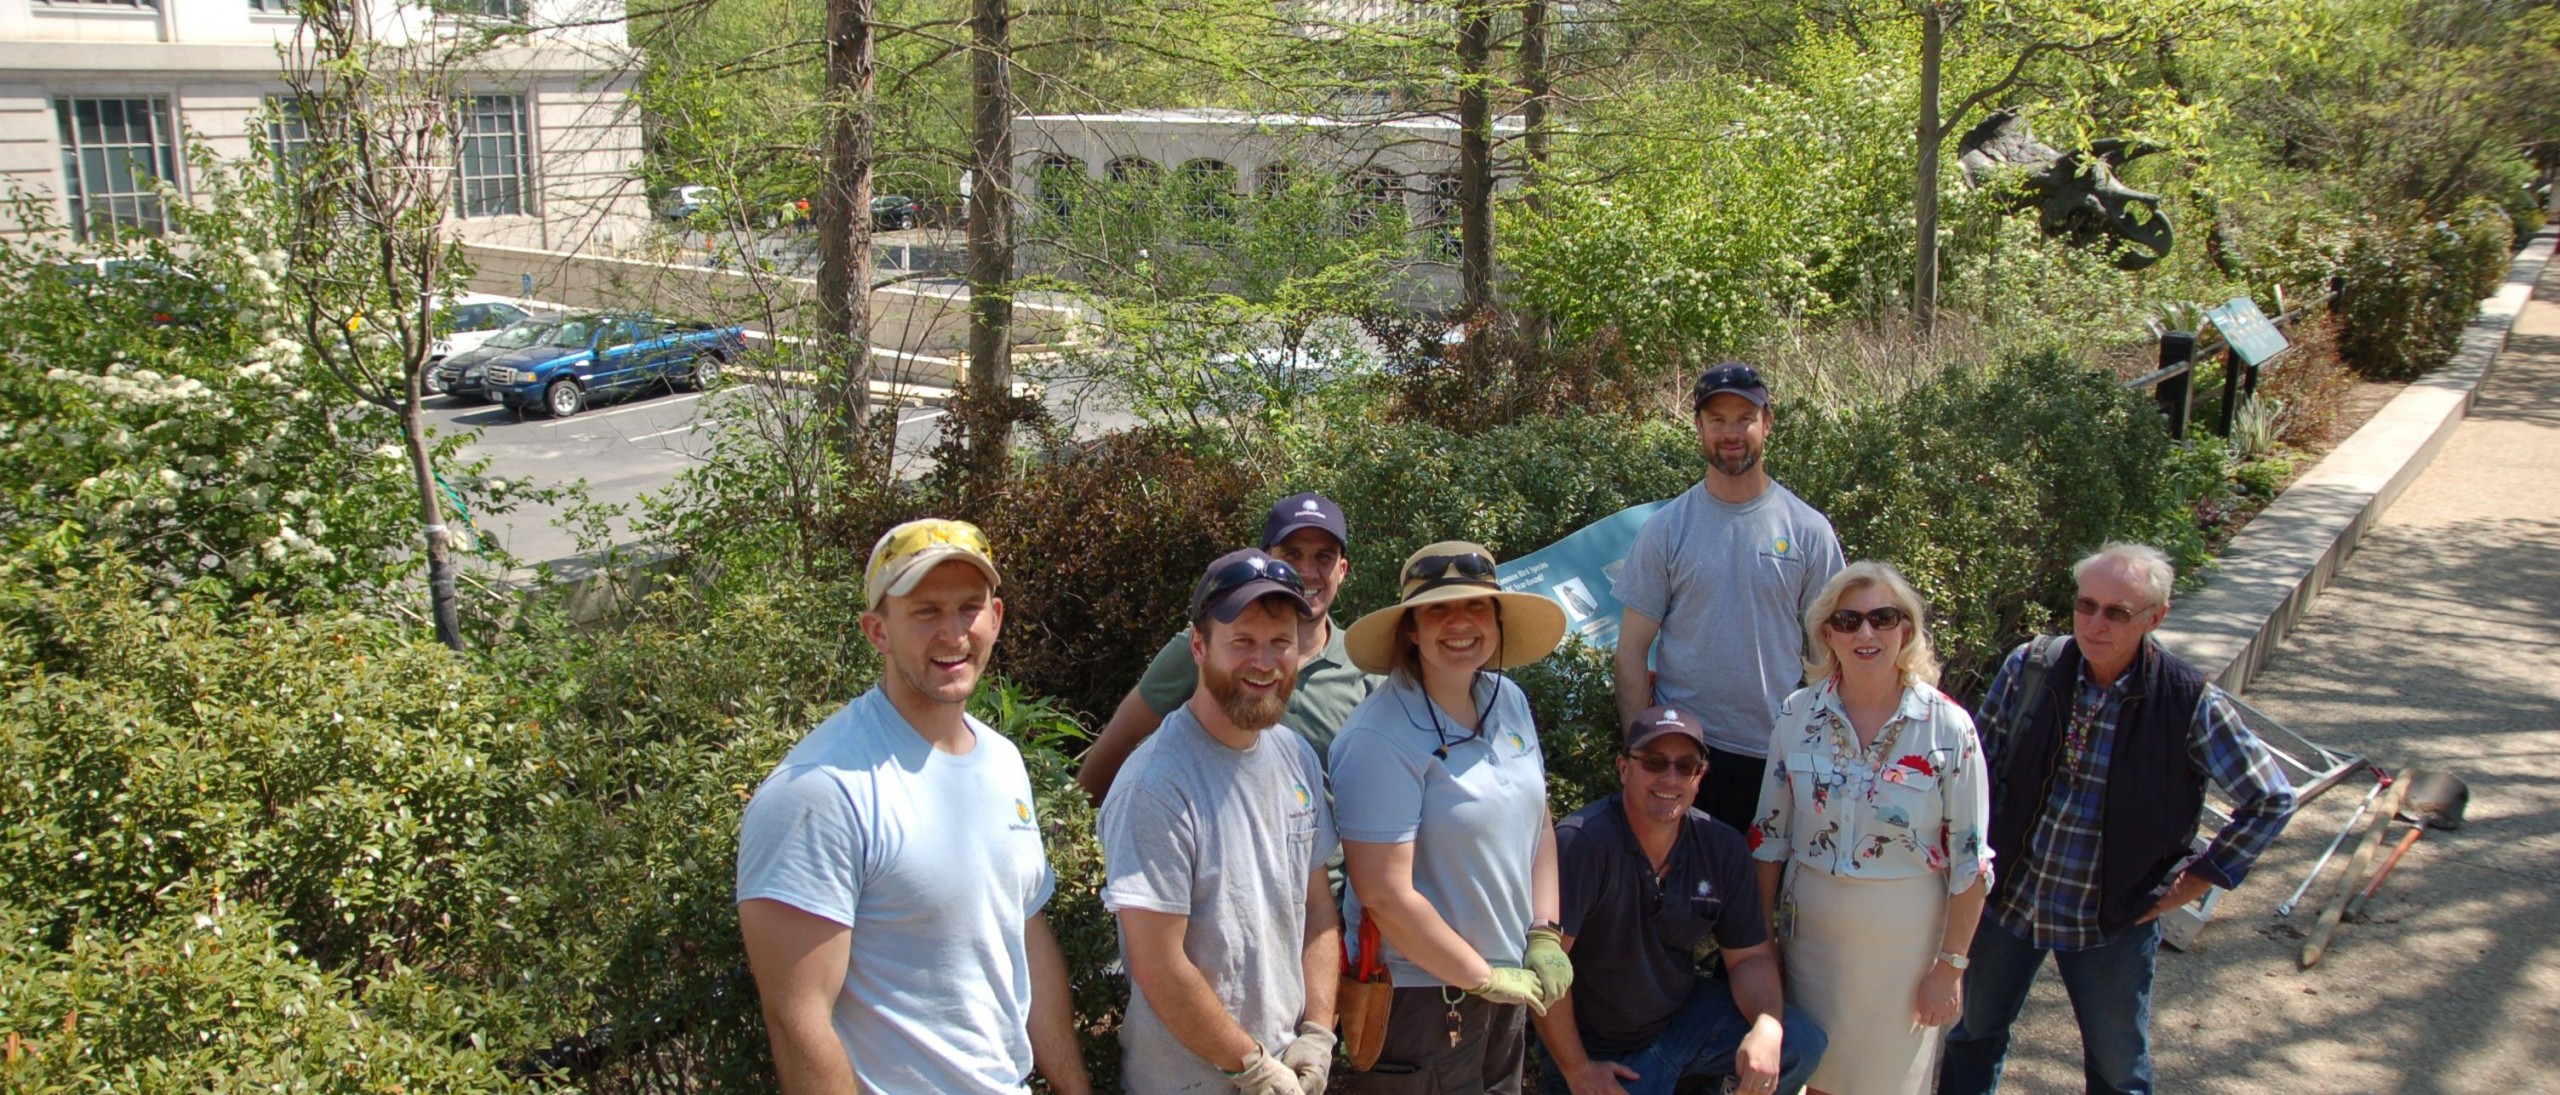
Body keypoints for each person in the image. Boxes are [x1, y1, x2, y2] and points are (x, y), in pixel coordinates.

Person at [734, 518, 1090, 1095]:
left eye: (968, 608)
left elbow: (1025, 938)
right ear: (878, 630)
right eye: (925, 612)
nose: (953, 634)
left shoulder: (1001, 761)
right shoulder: (820, 791)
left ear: (995, 618)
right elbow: (798, 1023)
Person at [1937, 543, 2298, 1095]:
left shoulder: (2187, 702)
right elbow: (1973, 772)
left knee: (2117, 1070)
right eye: (2086, 605)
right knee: (1971, 1039)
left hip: (2112, 916)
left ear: (2156, 618)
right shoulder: (2031, 668)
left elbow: (2270, 797)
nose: (2095, 624)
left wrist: (2200, 878)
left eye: (2117, 612)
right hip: (2009, 899)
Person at [1329, 541, 1572, 1094]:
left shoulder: (1508, 699)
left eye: (1476, 606)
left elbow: (1539, 823)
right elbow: (1384, 895)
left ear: (1497, 620)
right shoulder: (1379, 736)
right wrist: (1480, 976)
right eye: (1438, 609)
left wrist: (1544, 933)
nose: (1459, 623)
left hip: (1509, 984)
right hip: (1424, 998)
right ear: (1410, 629)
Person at [1100, 550, 1345, 1095]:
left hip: (1288, 1068)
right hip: (1190, 1082)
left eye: (1280, 642)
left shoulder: (1295, 756)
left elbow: (1318, 908)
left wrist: (1318, 1032)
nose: (1264, 661)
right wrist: (1253, 1066)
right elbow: (1159, 967)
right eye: (1242, 643)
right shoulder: (1157, 786)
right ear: (1198, 646)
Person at [1749, 561, 1992, 1095]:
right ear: (1826, 633)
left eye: (1883, 618)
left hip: (1902, 951)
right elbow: (1768, 839)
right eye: (1849, 619)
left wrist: (1950, 968)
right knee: (1816, 1075)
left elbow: (1971, 862)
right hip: (1810, 943)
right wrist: (1761, 947)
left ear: (1906, 630)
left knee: (1887, 1084)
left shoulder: (1949, 728)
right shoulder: (1796, 715)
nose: (1866, 632)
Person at [1534, 705, 1829, 1095]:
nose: (1670, 778)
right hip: (1600, 1050)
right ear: (1624, 768)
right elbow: (1546, 974)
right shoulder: (1583, 843)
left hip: (1681, 1023)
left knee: (1800, 1044)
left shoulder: (1721, 847)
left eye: (1685, 766)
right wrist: (1578, 1069)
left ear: (1700, 776)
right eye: (1654, 763)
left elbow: (1750, 957)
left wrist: (1767, 1025)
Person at [1615, 362, 1846, 832]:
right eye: (1717, 420)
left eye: (1744, 417)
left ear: (1767, 422)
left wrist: (1823, 748)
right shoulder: (1666, 530)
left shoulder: (1808, 531)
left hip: (1779, 753)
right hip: (1686, 757)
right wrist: (1646, 755)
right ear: (1699, 427)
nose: (1731, 432)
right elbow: (1631, 652)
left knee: (1763, 903)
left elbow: (1832, 654)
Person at [1078, 492, 1379, 803]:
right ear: (1267, 559)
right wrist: (1076, 834)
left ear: (1342, 570)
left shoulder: (1367, 663)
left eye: (1323, 557)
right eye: (1292, 554)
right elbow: (1123, 739)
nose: (1307, 571)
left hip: (1325, 848)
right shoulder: (1203, 648)